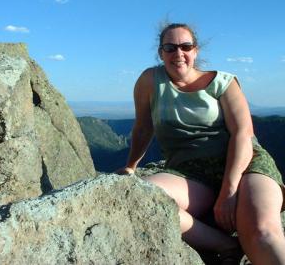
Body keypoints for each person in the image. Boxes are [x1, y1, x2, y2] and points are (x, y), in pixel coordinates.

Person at [117, 23, 285, 264]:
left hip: (245, 164)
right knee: (141, 197)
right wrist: (132, 166)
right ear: (160, 52)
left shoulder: (224, 83)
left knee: (262, 233)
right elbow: (143, 127)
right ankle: (226, 245)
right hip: (189, 172)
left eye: (186, 46)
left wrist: (229, 191)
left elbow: (242, 134)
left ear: (195, 51)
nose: (178, 53)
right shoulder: (150, 80)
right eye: (170, 47)